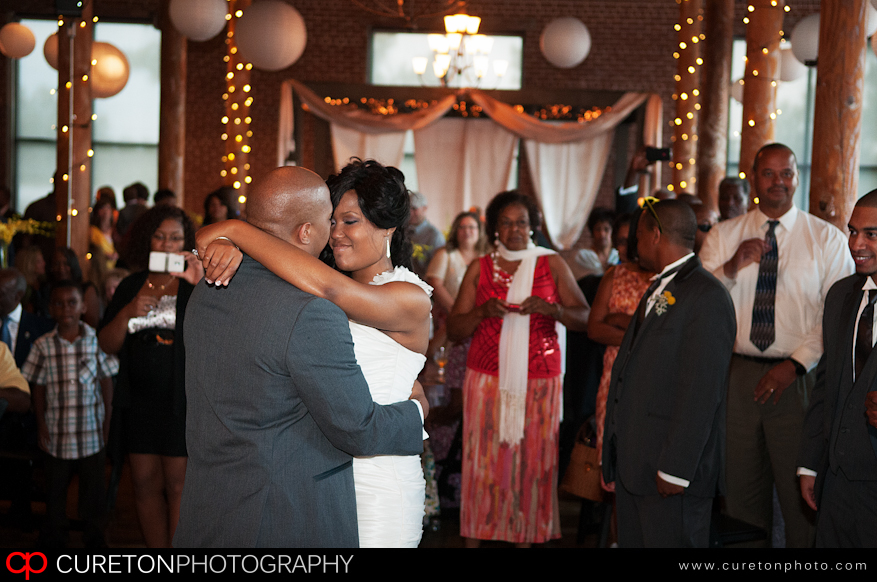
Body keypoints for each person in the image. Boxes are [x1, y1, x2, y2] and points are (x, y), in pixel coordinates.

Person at [177, 163, 428, 548]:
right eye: (333, 221)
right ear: (308, 229)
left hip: (365, 480)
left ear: (388, 228)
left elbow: (331, 291)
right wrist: (417, 413)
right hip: (302, 495)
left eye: (349, 221)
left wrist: (236, 231)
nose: (337, 233)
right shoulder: (306, 299)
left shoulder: (209, 290)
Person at [699, 143, 854, 547]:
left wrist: (796, 365)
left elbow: (833, 316)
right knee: (740, 492)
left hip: (799, 378)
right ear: (754, 178)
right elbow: (700, 309)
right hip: (735, 376)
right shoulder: (723, 236)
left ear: (797, 176)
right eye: (768, 173)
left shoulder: (827, 240)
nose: (778, 182)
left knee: (801, 490)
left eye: (786, 172)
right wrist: (730, 268)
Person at [447, 191, 590, 547]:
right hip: (486, 376)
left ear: (534, 226)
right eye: (506, 222)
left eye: (521, 222)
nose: (514, 229)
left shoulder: (551, 263)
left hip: (539, 380)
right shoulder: (478, 267)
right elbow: (454, 328)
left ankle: (525, 537)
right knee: (484, 462)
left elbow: (585, 317)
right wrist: (481, 312)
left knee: (532, 462)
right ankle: (476, 537)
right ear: (495, 228)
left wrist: (551, 309)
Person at [602, 198, 735, 548]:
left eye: (638, 235)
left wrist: (675, 467)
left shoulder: (706, 296)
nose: (635, 245)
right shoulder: (660, 286)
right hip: (638, 463)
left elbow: (701, 391)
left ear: (656, 235)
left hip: (669, 469)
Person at [98, 206, 204, 548]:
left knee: (178, 486)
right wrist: (129, 311)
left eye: (175, 238)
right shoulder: (130, 283)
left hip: (180, 401)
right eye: (160, 236)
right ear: (148, 240)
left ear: (186, 243)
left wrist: (200, 284)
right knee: (143, 484)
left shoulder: (195, 285)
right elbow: (107, 344)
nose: (167, 244)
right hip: (137, 401)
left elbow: (214, 336)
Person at [797, 190, 877, 547]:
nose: (856, 243)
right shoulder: (841, 294)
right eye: (852, 231)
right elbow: (826, 386)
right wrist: (809, 464)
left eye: (871, 234)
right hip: (837, 481)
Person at [23, 280, 119, 548]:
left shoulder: (96, 341)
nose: (65, 308)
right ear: (50, 308)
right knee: (55, 491)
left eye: (72, 302)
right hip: (57, 433)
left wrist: (107, 424)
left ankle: (94, 536)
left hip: (91, 433)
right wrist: (41, 425)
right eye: (58, 303)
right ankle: (56, 536)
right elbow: (38, 388)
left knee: (93, 493)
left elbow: (106, 383)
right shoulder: (43, 345)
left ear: (83, 306)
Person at [588, 211, 654, 488]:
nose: (626, 248)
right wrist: (638, 329)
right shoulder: (615, 275)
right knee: (616, 478)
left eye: (632, 240)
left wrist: (620, 320)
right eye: (621, 241)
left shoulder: (664, 277)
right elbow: (594, 329)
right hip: (614, 379)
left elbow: (661, 335)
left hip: (652, 379)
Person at [426, 211, 488, 359]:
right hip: (448, 313)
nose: (467, 231)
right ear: (455, 231)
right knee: (445, 356)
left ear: (479, 231)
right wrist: (455, 309)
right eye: (462, 227)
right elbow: (435, 283)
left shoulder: (486, 256)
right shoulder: (445, 254)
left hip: (480, 317)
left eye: (472, 227)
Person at [49, 248, 101, 329]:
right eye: (57, 264)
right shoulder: (49, 289)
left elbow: (93, 323)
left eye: (66, 264)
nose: (61, 268)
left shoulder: (86, 289)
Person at [569, 207, 618, 280]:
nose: (602, 234)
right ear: (592, 232)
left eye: (606, 229)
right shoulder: (581, 257)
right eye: (598, 229)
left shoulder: (617, 256)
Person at [407, 190, 445, 279]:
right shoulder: (399, 231)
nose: (409, 213)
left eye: (414, 208)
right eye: (407, 208)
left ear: (424, 208)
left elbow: (437, 272)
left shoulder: (435, 236)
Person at [14, 247, 48, 318]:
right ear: (29, 264)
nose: (44, 263)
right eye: (39, 261)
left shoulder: (43, 284)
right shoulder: (25, 290)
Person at [90, 197, 118, 274]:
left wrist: (115, 255)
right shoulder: (93, 231)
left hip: (112, 270)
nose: (106, 211)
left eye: (108, 208)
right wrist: (104, 255)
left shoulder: (114, 231)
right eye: (102, 208)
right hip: (99, 270)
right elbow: (93, 249)